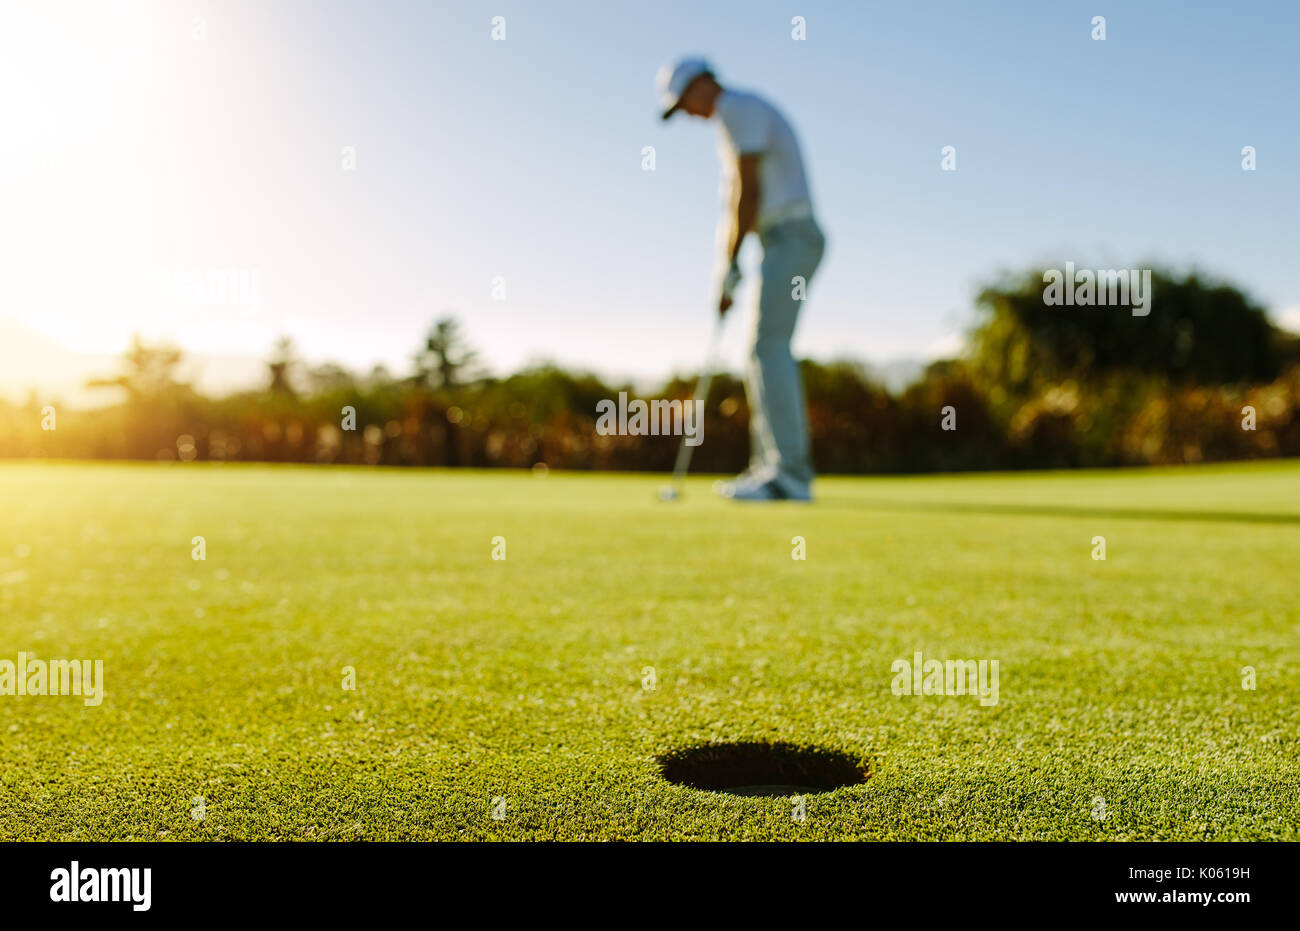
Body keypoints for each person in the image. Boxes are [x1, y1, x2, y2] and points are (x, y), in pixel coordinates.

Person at [657, 56, 826, 502]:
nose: (688, 114)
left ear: (701, 85)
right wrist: (728, 268)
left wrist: (730, 263)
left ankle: (789, 475)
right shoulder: (736, 116)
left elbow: (747, 191)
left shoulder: (737, 108)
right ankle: (769, 467)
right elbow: (739, 195)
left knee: (768, 347)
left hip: (792, 235)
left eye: (684, 103)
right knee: (761, 350)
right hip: (779, 239)